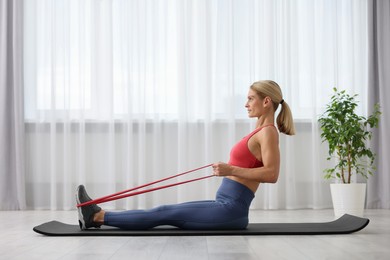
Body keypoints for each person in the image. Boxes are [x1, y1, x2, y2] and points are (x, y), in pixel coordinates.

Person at [76, 80, 295, 230]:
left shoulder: (268, 133)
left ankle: (96, 217)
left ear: (266, 101)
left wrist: (230, 170)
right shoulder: (259, 131)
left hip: (230, 211)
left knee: (164, 212)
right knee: (165, 210)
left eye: (250, 98)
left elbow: (272, 174)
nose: (245, 104)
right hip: (223, 204)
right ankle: (97, 213)